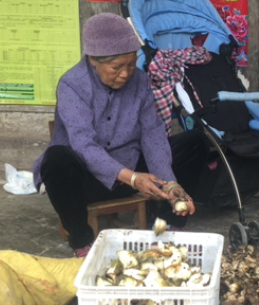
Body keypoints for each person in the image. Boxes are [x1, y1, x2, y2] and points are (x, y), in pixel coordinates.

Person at [33, 13, 209, 257]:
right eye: (117, 67)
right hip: (89, 179)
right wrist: (134, 179)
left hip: (132, 166)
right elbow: (84, 146)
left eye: (130, 64)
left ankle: (167, 226)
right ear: (94, 60)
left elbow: (152, 134)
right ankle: (82, 242)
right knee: (55, 159)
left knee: (195, 141)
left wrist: (170, 182)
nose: (126, 74)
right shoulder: (72, 85)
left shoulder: (140, 81)